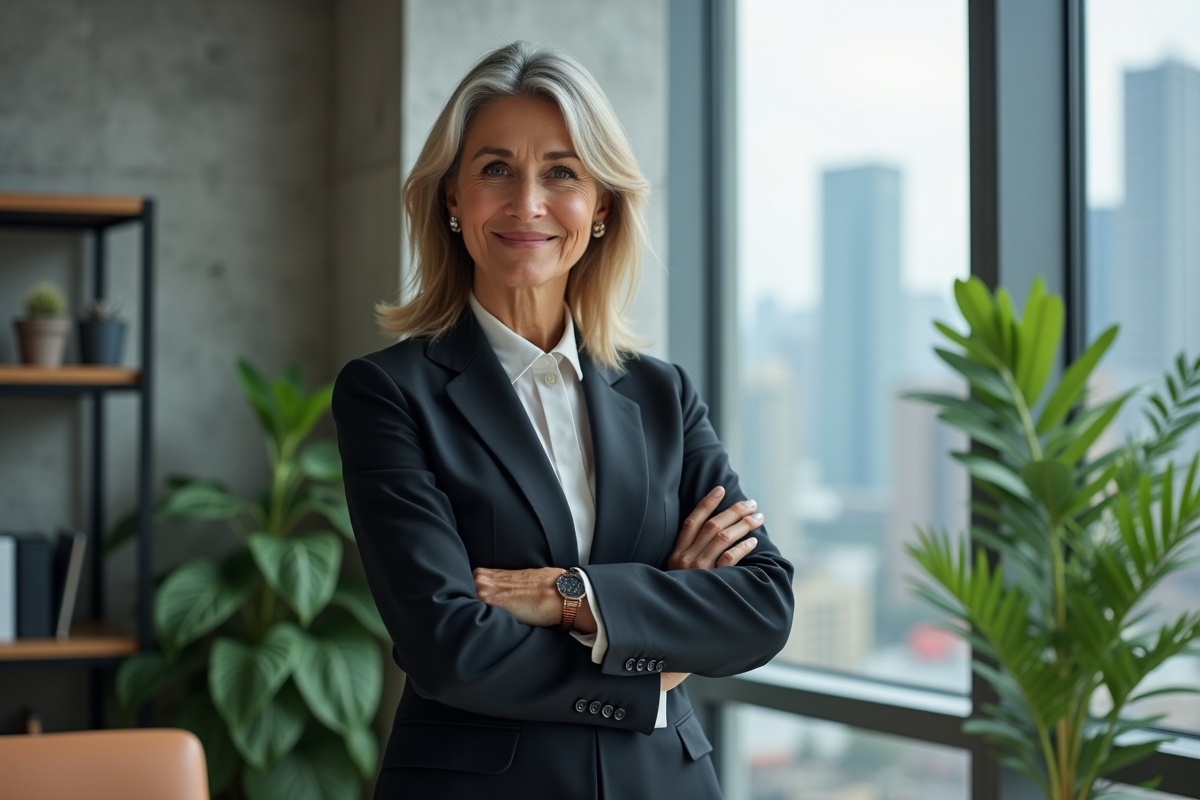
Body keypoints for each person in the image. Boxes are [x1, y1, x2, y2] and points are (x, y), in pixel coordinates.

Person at [332, 41, 795, 800]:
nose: (527, 204)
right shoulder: (387, 394)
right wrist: (653, 649)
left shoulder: (662, 396)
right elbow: (450, 648)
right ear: (452, 197)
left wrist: (571, 596)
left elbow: (762, 605)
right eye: (495, 170)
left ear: (602, 206)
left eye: (562, 173)